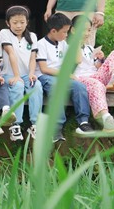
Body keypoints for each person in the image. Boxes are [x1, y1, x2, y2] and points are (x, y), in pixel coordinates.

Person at [36, 12, 93, 142]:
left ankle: (83, 122)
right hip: (46, 77)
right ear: (53, 31)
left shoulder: (63, 43)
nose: (67, 35)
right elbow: (44, 69)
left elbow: (78, 60)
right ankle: (56, 128)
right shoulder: (41, 44)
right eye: (64, 32)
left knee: (79, 86)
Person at [70, 15, 114, 132]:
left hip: (95, 75)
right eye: (82, 29)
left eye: (88, 30)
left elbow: (95, 67)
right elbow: (76, 62)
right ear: (73, 30)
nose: (86, 33)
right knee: (96, 84)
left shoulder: (89, 48)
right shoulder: (67, 46)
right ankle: (106, 118)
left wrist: (100, 60)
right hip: (81, 79)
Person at [0, 5, 43, 140]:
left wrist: (31, 73)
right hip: (8, 74)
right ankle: (15, 125)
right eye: (15, 22)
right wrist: (17, 76)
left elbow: (32, 57)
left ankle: (35, 124)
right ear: (8, 23)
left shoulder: (33, 36)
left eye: (22, 22)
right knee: (17, 86)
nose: (19, 26)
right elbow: (11, 53)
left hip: (25, 74)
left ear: (27, 22)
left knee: (36, 85)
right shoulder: (4, 33)